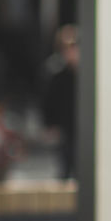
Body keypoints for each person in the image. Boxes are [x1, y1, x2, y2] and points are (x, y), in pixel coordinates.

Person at [40, 24, 79, 181]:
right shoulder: (54, 70)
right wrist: (49, 124)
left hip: (80, 127)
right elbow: (47, 100)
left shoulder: (84, 70)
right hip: (62, 128)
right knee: (63, 170)